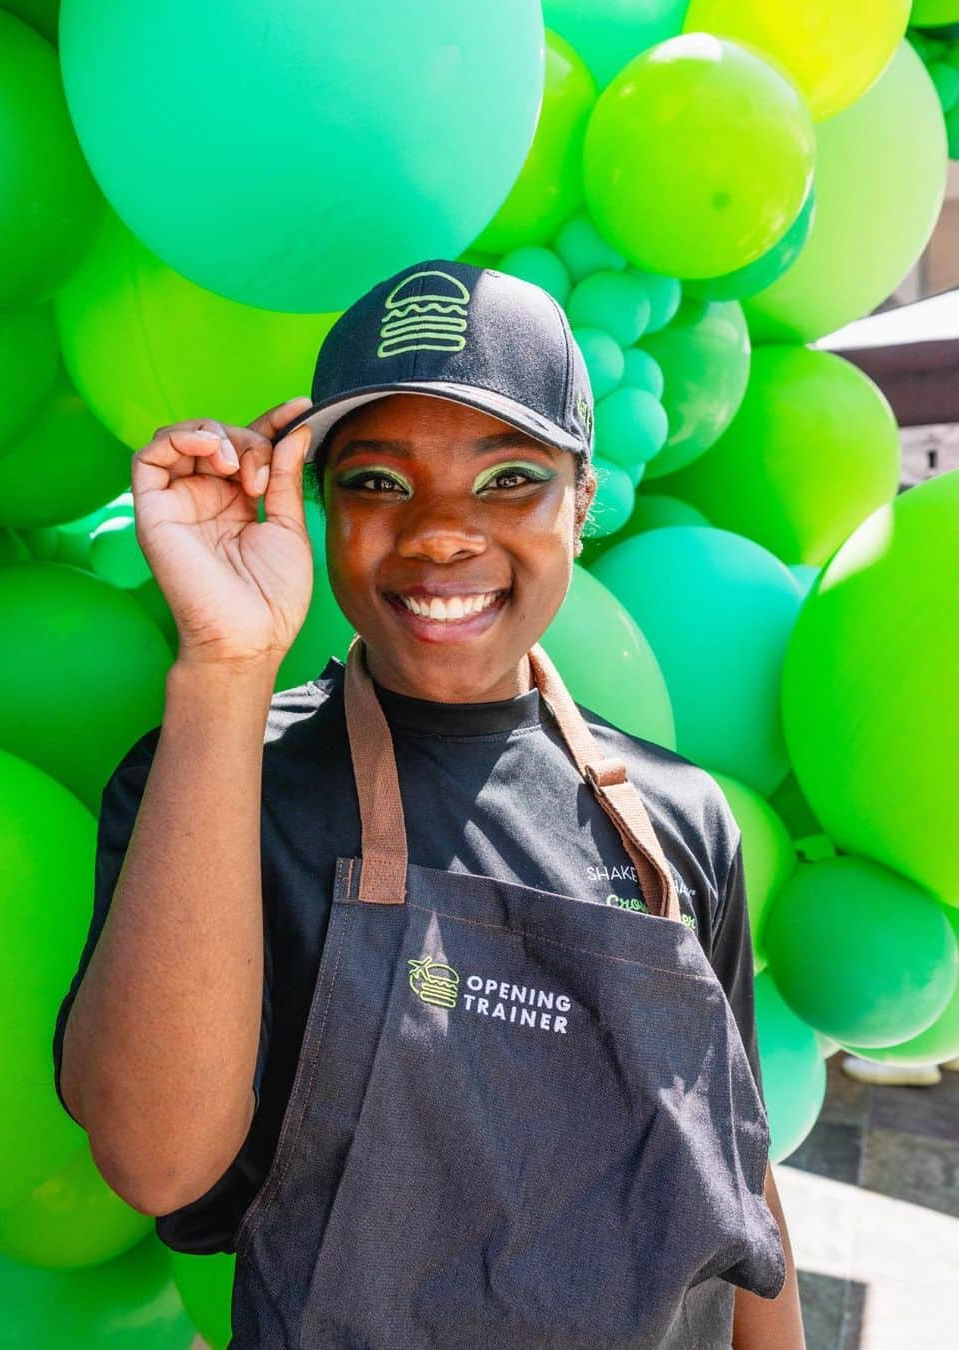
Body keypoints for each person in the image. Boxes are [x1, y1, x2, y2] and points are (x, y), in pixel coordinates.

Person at [53, 261, 805, 1348]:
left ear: (583, 504)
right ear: (316, 507)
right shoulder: (226, 782)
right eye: (378, 483)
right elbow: (153, 1161)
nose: (442, 533)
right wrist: (225, 664)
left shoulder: (679, 819)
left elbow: (740, 1171)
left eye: (508, 480)